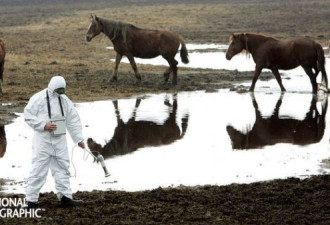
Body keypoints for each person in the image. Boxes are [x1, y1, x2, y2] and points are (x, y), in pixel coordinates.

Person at [24, 75, 85, 207]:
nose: (60, 93)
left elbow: (72, 119)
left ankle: (65, 197)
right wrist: (43, 125)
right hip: (43, 140)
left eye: (62, 90)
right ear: (52, 88)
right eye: (58, 90)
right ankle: (31, 200)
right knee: (38, 169)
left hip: (60, 140)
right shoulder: (38, 98)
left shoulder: (64, 100)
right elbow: (28, 116)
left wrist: (78, 139)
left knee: (62, 167)